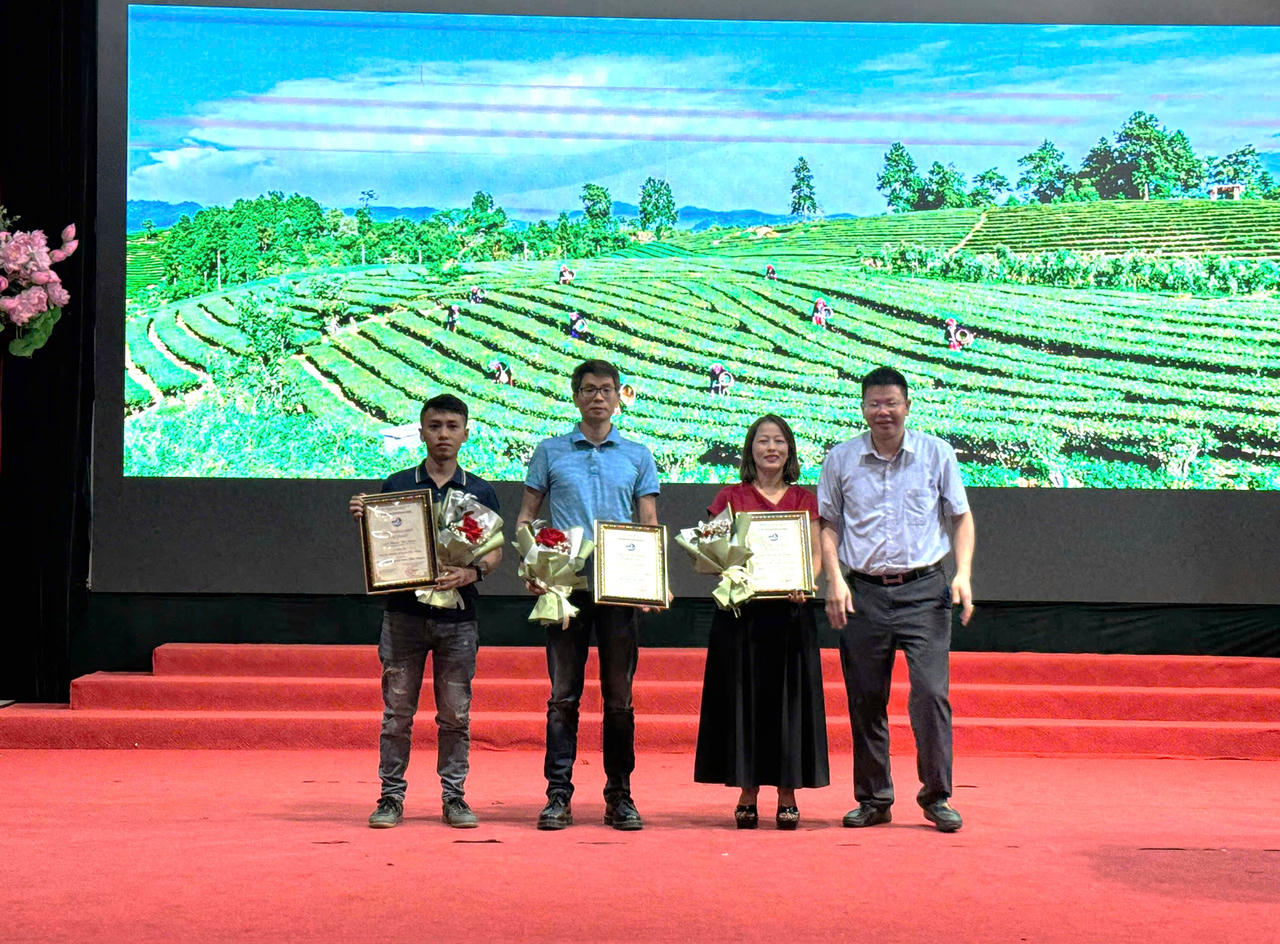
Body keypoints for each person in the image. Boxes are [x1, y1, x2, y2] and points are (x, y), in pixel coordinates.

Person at [817, 366, 975, 833]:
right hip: (863, 592)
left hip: (925, 590)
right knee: (866, 698)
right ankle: (874, 799)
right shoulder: (841, 459)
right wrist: (834, 579)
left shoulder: (936, 453)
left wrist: (964, 574)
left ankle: (937, 796)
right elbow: (828, 524)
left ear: (907, 406)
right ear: (863, 408)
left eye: (891, 403)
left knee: (930, 695)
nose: (883, 411)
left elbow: (961, 518)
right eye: (874, 404)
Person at [517, 359, 662, 831]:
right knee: (563, 695)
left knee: (619, 698)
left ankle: (620, 796)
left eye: (606, 389)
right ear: (575, 396)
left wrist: (652, 579)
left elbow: (649, 524)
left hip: (621, 588)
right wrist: (534, 566)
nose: (597, 397)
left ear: (620, 396)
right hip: (565, 587)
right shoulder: (550, 451)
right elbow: (525, 519)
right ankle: (557, 795)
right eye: (588, 389)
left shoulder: (638, 455)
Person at [349, 394, 503, 830]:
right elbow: (382, 546)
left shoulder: (480, 491)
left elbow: (494, 552)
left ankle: (454, 798)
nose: (443, 435)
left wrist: (472, 573)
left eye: (452, 427)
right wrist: (365, 518)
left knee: (455, 715)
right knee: (397, 715)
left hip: (459, 619)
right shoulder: (397, 484)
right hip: (403, 615)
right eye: (435, 426)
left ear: (466, 434)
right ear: (421, 433)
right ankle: (390, 797)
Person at [693, 414, 829, 829]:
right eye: (763, 441)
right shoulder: (730, 497)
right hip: (741, 619)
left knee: (788, 705)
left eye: (779, 441)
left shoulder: (804, 499)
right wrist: (727, 571)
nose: (771, 448)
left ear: (790, 450)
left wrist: (807, 582)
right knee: (743, 703)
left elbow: (816, 553)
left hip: (791, 615)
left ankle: (787, 792)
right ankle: (747, 790)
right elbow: (710, 552)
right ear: (750, 449)